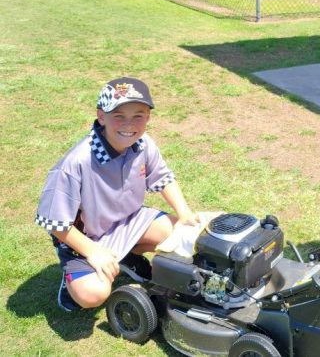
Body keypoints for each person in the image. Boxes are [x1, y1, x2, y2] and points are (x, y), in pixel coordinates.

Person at [35, 77, 199, 311]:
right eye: (119, 116)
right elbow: (54, 223)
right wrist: (93, 251)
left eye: (138, 116)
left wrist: (184, 213)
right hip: (87, 238)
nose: (129, 124)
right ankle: (73, 276)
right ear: (101, 116)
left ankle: (125, 256)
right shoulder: (76, 162)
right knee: (93, 294)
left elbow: (163, 178)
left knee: (179, 234)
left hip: (128, 220)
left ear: (148, 118)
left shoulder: (144, 143)